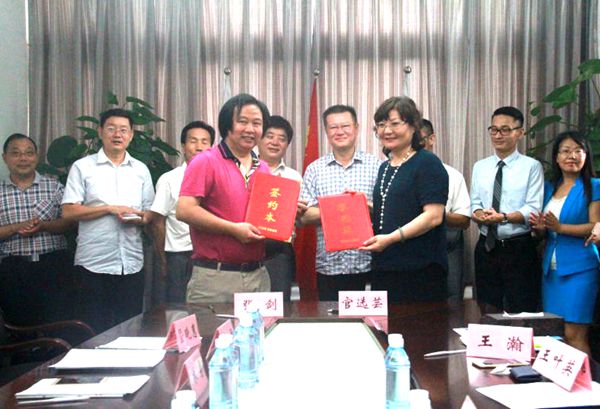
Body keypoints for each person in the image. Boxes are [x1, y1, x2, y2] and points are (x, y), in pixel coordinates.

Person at [62, 109, 155, 333]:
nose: (117, 135)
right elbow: (68, 211)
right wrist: (109, 209)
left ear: (131, 135)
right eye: (111, 129)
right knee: (93, 329)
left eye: (123, 130)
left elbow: (150, 214)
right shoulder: (82, 167)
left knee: (130, 328)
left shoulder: (140, 170)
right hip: (93, 263)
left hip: (130, 263)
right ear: (100, 131)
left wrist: (138, 217)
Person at [177, 94, 272, 303]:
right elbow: (184, 210)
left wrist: (289, 212)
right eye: (243, 121)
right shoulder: (205, 161)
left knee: (261, 327)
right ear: (227, 124)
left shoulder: (263, 168)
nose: (250, 129)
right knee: (211, 327)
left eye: (257, 123)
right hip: (215, 277)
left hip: (258, 276)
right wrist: (233, 229)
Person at [360, 97, 448, 302]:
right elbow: (397, 208)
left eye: (394, 123)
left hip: (419, 270)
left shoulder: (427, 162)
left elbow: (434, 216)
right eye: (381, 125)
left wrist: (390, 238)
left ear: (413, 126)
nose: (387, 130)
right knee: (384, 323)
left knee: (418, 323)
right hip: (385, 267)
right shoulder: (385, 167)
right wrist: (363, 205)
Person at [300, 105, 381, 301]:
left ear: (356, 128)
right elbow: (305, 216)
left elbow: (386, 210)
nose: (340, 131)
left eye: (345, 126)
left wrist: (362, 206)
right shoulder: (314, 169)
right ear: (326, 131)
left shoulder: (377, 166)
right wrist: (347, 207)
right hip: (329, 265)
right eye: (333, 127)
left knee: (369, 318)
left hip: (368, 262)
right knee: (330, 318)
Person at [529, 132, 600, 354]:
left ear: (586, 156)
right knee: (556, 333)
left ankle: (587, 377)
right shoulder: (549, 188)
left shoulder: (594, 186)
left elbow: (595, 225)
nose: (572, 156)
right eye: (566, 151)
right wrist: (539, 229)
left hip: (581, 267)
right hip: (551, 271)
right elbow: (545, 231)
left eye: (578, 151)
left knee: (575, 333)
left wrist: (560, 228)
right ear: (557, 157)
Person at [470, 106, 543, 314]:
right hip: (486, 246)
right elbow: (474, 203)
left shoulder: (531, 166)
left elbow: (533, 208)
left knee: (521, 310)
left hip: (518, 247)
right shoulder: (480, 166)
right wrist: (479, 214)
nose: (498, 135)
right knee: (487, 309)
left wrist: (502, 217)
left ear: (520, 132)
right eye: (494, 130)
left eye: (505, 130)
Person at [0, 133, 74, 325]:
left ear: (37, 156)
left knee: (59, 324)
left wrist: (44, 225)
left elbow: (69, 223)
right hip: (14, 269)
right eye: (16, 153)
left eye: (29, 153)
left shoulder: (55, 187)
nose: (23, 158)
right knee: (19, 326)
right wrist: (16, 227)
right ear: (5, 158)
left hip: (54, 265)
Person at [150, 121, 215, 304]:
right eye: (193, 141)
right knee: (178, 309)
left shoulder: (217, 177)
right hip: (179, 256)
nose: (199, 147)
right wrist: (163, 260)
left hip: (210, 255)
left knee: (208, 308)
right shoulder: (169, 179)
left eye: (204, 142)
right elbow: (157, 221)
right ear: (183, 146)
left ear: (212, 148)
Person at [420, 119, 471, 302]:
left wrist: (433, 214)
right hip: (410, 251)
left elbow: (464, 220)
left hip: (446, 247)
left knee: (451, 304)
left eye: (420, 140)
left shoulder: (452, 175)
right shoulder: (399, 175)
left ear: (431, 139)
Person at [257, 115, 302, 302]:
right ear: (259, 139)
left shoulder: (294, 177)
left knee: (280, 305)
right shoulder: (244, 170)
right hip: (247, 246)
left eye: (281, 138)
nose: (275, 142)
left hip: (280, 251)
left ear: (287, 144)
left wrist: (298, 211)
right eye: (269, 136)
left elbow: (301, 219)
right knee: (247, 304)